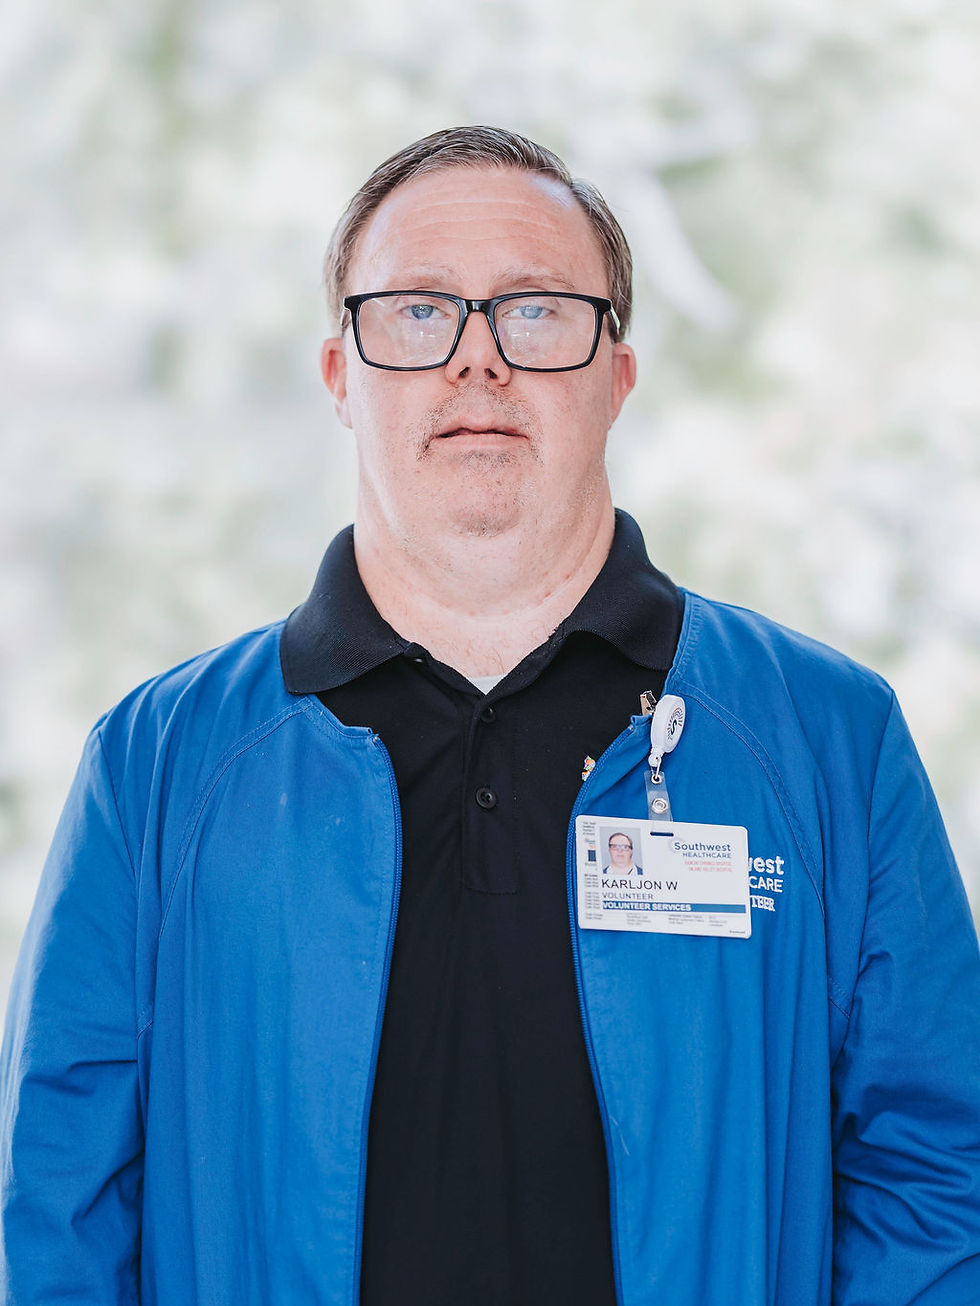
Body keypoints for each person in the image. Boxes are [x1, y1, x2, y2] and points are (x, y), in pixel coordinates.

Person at [2, 126, 979, 1306]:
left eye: (535, 310)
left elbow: (933, 1178)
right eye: (416, 312)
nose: (478, 361)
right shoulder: (157, 766)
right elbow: (57, 1209)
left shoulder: (827, 738)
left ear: (616, 374)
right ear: (337, 377)